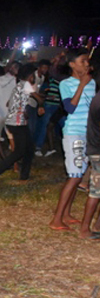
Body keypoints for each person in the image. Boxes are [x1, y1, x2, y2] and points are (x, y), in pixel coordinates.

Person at [49, 48, 96, 230]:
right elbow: (69, 108)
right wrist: (82, 85)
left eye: (87, 61)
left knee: (78, 175)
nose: (86, 64)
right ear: (72, 65)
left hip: (88, 133)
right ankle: (56, 220)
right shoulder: (66, 84)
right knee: (75, 176)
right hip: (74, 133)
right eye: (82, 61)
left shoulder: (92, 82)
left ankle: (66, 215)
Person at [0, 64, 43, 182]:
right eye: (33, 75)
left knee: (29, 149)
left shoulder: (19, 85)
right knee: (20, 151)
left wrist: (22, 110)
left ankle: (24, 176)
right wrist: (42, 104)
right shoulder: (26, 84)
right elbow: (38, 99)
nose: (34, 77)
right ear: (30, 76)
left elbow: (9, 103)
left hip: (16, 121)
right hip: (16, 123)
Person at [79, 90, 100, 239]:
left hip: (96, 148)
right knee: (96, 192)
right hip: (98, 149)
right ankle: (84, 230)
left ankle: (97, 226)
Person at [0, 62, 21, 162]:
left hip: (5, 112)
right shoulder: (4, 80)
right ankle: (4, 159)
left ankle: (3, 159)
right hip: (2, 112)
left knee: (0, 137)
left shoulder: (14, 81)